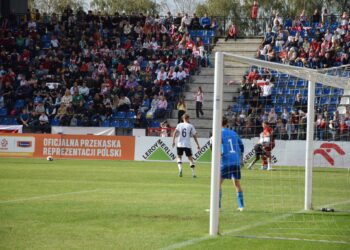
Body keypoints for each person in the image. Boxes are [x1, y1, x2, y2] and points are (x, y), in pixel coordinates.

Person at [220, 117, 244, 211]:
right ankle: (241, 206)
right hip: (236, 161)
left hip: (226, 161)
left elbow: (215, 146)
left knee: (217, 184)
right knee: (237, 183)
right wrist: (240, 157)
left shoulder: (219, 133)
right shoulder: (234, 133)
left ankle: (217, 207)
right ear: (227, 123)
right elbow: (241, 146)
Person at [172, 114, 200, 178]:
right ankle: (193, 173)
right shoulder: (190, 126)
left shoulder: (179, 125)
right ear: (188, 118)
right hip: (187, 144)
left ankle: (180, 169)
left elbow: (174, 133)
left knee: (179, 157)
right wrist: (197, 144)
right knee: (190, 159)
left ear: (183, 118)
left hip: (179, 144)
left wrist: (173, 141)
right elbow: (194, 136)